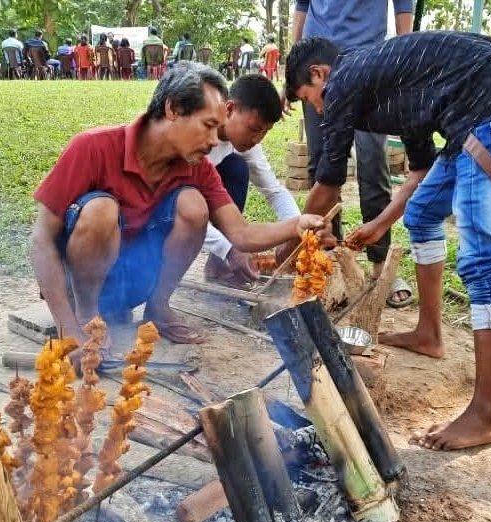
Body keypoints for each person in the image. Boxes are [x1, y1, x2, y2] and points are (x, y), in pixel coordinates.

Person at [284, 33, 491, 450]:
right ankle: (429, 334)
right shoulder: (394, 84)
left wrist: (289, 244)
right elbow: (419, 174)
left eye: (309, 98)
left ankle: (486, 413)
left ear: (319, 73)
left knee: (482, 256)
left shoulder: (345, 77)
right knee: (421, 215)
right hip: (468, 123)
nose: (317, 108)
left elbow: (329, 179)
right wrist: (382, 224)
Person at [31, 63, 334, 353]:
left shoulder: (197, 167)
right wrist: (66, 326)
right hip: (76, 289)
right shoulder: (93, 147)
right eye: (208, 126)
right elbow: (41, 240)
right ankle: (87, 317)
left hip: (130, 286)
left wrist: (298, 224)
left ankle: (157, 307)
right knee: (100, 209)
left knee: (193, 205)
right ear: (173, 109)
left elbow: (241, 233)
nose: (215, 141)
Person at [293, 0, 414, 306]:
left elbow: (403, 5)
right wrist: (293, 72)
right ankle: (327, 259)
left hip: (367, 62)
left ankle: (379, 266)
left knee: (373, 165)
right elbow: (302, 6)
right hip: (313, 67)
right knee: (321, 165)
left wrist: (400, 62)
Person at [204, 74, 300, 287]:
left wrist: (298, 227)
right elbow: (177, 208)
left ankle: (217, 266)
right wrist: (228, 248)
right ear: (229, 110)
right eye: (255, 129)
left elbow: (273, 190)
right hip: (164, 202)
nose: (257, 139)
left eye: (265, 132)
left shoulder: (245, 142)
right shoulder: (196, 138)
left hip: (198, 191)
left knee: (237, 168)